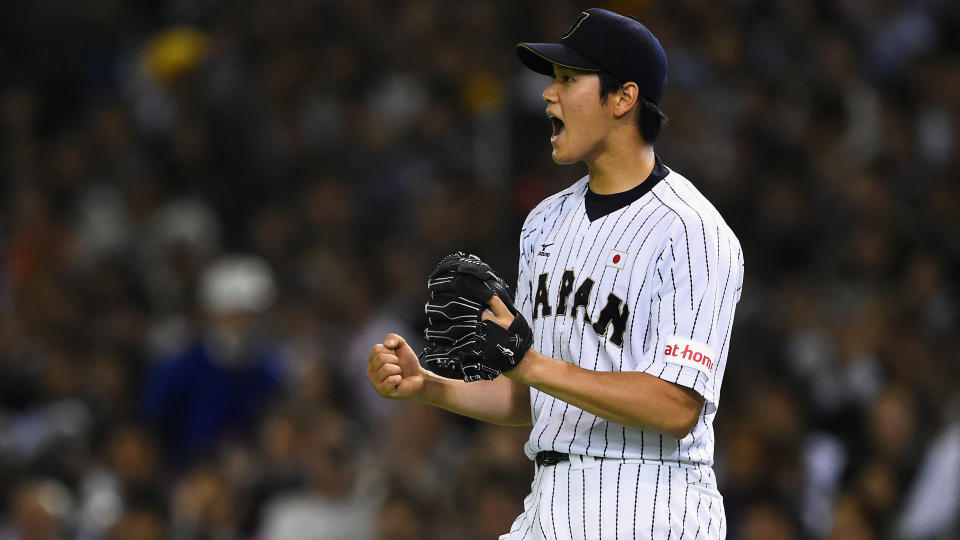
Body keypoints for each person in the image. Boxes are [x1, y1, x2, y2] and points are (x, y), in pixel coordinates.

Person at [366, 8, 743, 539]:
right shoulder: (544, 223)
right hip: (547, 498)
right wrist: (431, 386)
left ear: (623, 98)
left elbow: (676, 404)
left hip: (649, 501)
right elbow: (530, 394)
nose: (549, 93)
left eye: (569, 79)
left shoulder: (691, 231)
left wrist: (534, 366)